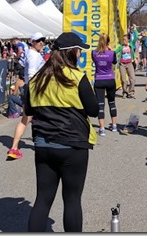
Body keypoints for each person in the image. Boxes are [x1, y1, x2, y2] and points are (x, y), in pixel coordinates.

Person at [24, 32, 99, 232]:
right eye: (79, 51)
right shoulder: (76, 76)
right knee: (72, 199)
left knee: (42, 199)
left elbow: (29, 110)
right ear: (71, 53)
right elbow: (93, 110)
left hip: (43, 144)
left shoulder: (37, 79)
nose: (80, 54)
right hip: (72, 143)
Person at [6, 33, 46, 160]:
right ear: (32, 42)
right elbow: (32, 74)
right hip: (35, 89)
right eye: (38, 41)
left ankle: (14, 147)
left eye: (43, 40)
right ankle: (41, 144)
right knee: (32, 118)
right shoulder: (33, 55)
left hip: (29, 88)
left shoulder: (30, 53)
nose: (41, 43)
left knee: (27, 118)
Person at [92, 34, 119, 135]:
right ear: (108, 42)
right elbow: (115, 62)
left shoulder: (94, 53)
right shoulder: (112, 53)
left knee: (100, 104)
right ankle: (114, 125)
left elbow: (95, 61)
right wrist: (110, 50)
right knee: (112, 102)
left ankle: (102, 128)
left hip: (99, 79)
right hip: (110, 79)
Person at [116, 28, 138, 99]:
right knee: (123, 79)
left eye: (125, 40)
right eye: (123, 40)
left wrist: (134, 29)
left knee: (132, 79)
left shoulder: (131, 44)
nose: (124, 41)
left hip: (129, 64)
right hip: (122, 64)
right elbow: (115, 52)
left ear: (128, 40)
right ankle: (125, 92)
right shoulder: (121, 47)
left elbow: (136, 37)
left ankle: (131, 92)